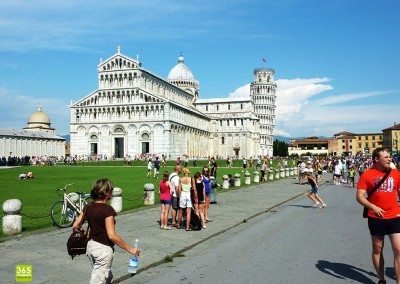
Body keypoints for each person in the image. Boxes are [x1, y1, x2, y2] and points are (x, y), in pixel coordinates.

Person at [72, 179, 140, 284]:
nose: (112, 192)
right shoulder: (108, 210)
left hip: (91, 246)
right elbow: (112, 236)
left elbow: (75, 225)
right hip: (102, 250)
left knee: (107, 277)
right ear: (106, 192)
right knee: (98, 280)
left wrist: (81, 230)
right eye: (111, 189)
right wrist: (130, 249)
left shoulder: (88, 206)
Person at [356, 148, 400, 284]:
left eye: (389, 157)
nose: (389, 159)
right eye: (386, 157)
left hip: (395, 215)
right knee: (377, 249)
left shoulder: (395, 173)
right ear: (376, 159)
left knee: (398, 249)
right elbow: (359, 197)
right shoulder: (367, 175)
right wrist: (373, 207)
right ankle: (381, 279)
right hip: (376, 218)